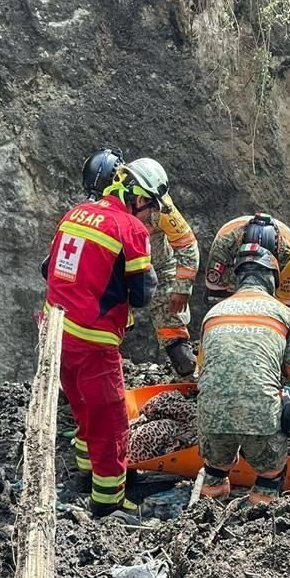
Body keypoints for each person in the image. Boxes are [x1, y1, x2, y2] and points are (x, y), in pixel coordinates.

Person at [43, 154, 158, 517]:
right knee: (110, 419)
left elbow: (48, 269)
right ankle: (108, 504)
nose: (151, 215)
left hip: (54, 332)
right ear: (138, 198)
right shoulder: (130, 229)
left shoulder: (75, 214)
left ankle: (85, 474)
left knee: (83, 409)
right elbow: (140, 295)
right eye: (150, 206)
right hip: (93, 338)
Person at [196, 244, 290, 504]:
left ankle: (207, 517)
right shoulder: (284, 314)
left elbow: (203, 372)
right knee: (270, 475)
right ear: (272, 278)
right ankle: (259, 520)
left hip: (211, 414)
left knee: (214, 471)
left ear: (238, 278)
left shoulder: (213, 314)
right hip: (261, 418)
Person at [81, 150, 200, 376]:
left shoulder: (157, 205)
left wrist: (182, 287)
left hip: (158, 267)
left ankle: (185, 370)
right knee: (103, 330)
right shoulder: (94, 211)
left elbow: (186, 243)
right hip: (115, 275)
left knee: (173, 331)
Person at [205, 213, 290, 311]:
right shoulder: (224, 245)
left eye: (262, 266)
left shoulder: (289, 257)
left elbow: (289, 305)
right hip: (232, 278)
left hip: (274, 290)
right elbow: (215, 292)